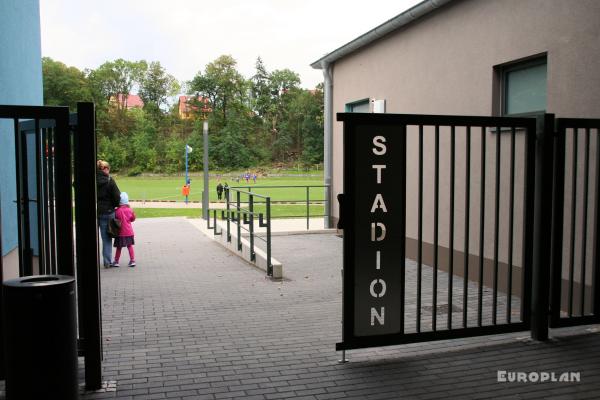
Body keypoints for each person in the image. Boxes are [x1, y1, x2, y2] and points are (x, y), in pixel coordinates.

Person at [96, 160, 120, 268]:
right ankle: (107, 261)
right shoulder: (110, 181)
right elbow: (117, 197)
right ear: (105, 169)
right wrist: (113, 206)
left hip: (96, 211)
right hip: (108, 211)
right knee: (106, 238)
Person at [112, 192, 137, 267]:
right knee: (130, 246)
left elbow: (115, 219)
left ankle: (116, 261)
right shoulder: (130, 210)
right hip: (129, 232)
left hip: (120, 233)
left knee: (119, 247)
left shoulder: (117, 211)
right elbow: (133, 218)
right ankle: (132, 260)